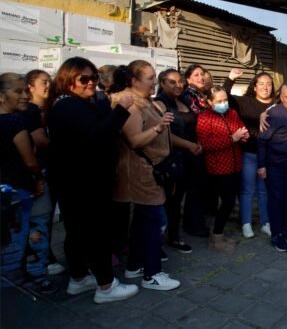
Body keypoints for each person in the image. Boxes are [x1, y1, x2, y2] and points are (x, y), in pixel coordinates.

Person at [46, 57, 140, 302]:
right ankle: (106, 286)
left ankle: (78, 278)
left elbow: (95, 122)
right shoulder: (69, 106)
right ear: (68, 80)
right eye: (84, 79)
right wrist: (122, 109)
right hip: (84, 182)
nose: (91, 83)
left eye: (94, 78)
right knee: (96, 234)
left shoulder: (72, 104)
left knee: (77, 232)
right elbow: (98, 135)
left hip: (76, 181)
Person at [112, 60, 181, 291]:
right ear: (134, 81)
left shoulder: (148, 101)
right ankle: (152, 274)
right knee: (156, 221)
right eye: (150, 78)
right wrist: (158, 127)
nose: (154, 82)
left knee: (142, 221)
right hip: (140, 172)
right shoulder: (131, 105)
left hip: (152, 171)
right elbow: (134, 140)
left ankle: (134, 265)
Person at [0, 73, 55, 293]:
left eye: (25, 90)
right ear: (1, 96)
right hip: (20, 191)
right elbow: (30, 161)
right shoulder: (14, 122)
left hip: (6, 191)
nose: (25, 95)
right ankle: (35, 277)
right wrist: (39, 179)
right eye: (18, 91)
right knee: (32, 232)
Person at [196, 86, 249, 254]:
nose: (223, 103)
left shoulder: (232, 113)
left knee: (230, 202)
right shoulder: (204, 118)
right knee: (227, 202)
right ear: (209, 102)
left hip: (236, 164)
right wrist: (232, 138)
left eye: (225, 100)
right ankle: (217, 236)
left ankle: (217, 233)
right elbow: (206, 144)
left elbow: (241, 129)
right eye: (219, 101)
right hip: (218, 168)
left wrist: (244, 136)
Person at [155, 69, 203, 254]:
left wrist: (197, 143)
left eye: (180, 81)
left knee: (177, 200)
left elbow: (193, 126)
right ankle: (158, 243)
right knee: (167, 201)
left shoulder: (183, 100)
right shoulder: (159, 103)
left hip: (188, 159)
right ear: (162, 83)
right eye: (172, 82)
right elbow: (165, 134)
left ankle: (174, 237)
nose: (178, 85)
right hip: (171, 159)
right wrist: (189, 145)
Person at [23, 70, 66, 276]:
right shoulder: (31, 111)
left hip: (51, 169)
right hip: (40, 171)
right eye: (43, 82)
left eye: (49, 81)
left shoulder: (49, 108)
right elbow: (40, 141)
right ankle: (42, 260)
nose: (48, 85)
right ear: (30, 87)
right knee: (40, 219)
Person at [225, 69, 275, 239]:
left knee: (264, 191)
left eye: (269, 84)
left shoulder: (276, 104)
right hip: (249, 153)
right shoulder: (245, 102)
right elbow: (224, 97)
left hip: (269, 156)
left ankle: (266, 223)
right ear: (254, 87)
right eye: (261, 84)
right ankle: (246, 223)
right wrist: (230, 79)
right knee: (247, 190)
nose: (265, 87)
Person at [257, 83, 287, 252]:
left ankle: (285, 229)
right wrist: (261, 165)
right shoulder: (275, 113)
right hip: (276, 166)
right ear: (281, 98)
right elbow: (262, 140)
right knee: (276, 200)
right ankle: (276, 234)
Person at [180, 64, 215, 237]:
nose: (201, 77)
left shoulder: (201, 94)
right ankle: (193, 225)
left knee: (201, 186)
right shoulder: (188, 95)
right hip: (195, 146)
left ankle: (198, 220)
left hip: (204, 146)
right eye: (196, 75)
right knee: (195, 187)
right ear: (188, 79)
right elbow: (200, 117)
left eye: (202, 74)